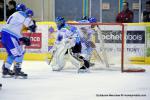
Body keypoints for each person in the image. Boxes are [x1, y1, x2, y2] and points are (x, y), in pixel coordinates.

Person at [1, 8, 36, 79]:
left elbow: (15, 31)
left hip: (5, 35)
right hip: (10, 36)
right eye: (31, 16)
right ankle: (17, 71)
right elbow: (28, 22)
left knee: (12, 54)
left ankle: (6, 70)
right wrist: (32, 25)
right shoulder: (21, 13)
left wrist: (22, 38)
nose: (30, 18)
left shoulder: (15, 17)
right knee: (20, 52)